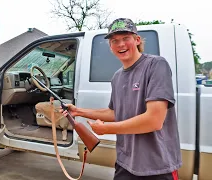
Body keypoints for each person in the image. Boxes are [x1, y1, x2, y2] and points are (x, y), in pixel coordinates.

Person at [60, 18, 182, 180]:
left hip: (157, 166)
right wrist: (79, 111)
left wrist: (107, 129)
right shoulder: (117, 77)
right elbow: (115, 113)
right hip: (126, 163)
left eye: (126, 38)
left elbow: (154, 120)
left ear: (137, 40)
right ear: (110, 47)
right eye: (114, 41)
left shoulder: (156, 65)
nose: (121, 44)